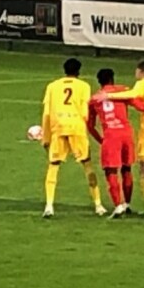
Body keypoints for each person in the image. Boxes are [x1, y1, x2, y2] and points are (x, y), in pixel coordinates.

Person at [89, 67, 144, 219]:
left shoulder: (94, 99)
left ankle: (118, 205)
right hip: (126, 133)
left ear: (99, 82)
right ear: (113, 79)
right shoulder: (123, 91)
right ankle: (127, 204)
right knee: (126, 168)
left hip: (110, 135)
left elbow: (90, 125)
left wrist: (100, 140)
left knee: (111, 171)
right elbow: (141, 106)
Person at [39, 58, 101, 219]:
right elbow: (85, 112)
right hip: (76, 127)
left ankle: (49, 206)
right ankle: (98, 205)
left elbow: (46, 113)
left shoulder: (52, 86)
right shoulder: (84, 87)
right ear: (79, 71)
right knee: (87, 165)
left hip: (58, 127)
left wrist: (46, 137)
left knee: (53, 166)